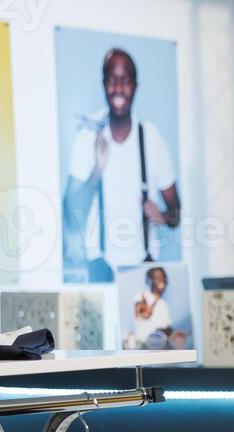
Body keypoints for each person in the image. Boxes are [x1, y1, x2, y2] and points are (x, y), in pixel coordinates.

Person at [63, 48, 181, 283]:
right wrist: (97, 169)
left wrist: (162, 216)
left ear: (135, 86)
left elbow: (176, 214)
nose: (118, 88)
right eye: (112, 80)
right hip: (100, 267)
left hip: (144, 268)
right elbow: (70, 211)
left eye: (125, 80)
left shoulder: (151, 138)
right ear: (103, 83)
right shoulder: (88, 135)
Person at [124, 266, 172, 350]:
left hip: (160, 348)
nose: (162, 280)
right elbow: (143, 314)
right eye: (157, 277)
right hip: (143, 347)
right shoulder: (141, 296)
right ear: (149, 280)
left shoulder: (164, 304)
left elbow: (166, 328)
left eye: (163, 277)